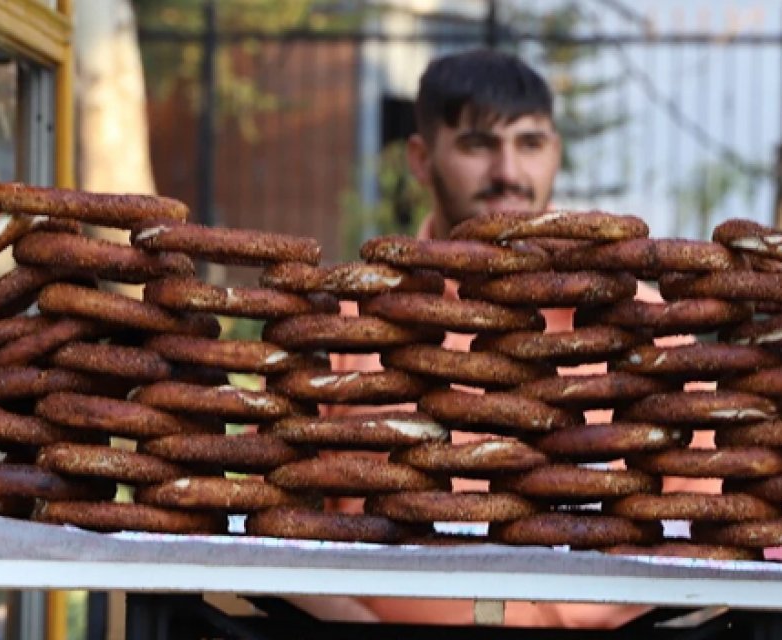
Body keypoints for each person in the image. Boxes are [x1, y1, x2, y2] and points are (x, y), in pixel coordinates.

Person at [296, 49, 710, 628]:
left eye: (530, 143)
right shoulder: (350, 323)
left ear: (555, 154)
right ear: (421, 158)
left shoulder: (642, 327)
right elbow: (280, 534)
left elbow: (707, 534)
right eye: (477, 145)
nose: (509, 172)